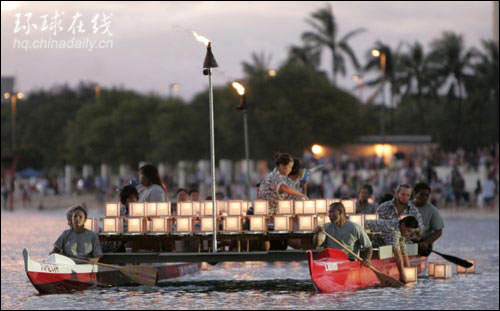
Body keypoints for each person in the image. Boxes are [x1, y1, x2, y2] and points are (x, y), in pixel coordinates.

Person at [364, 216, 419, 283]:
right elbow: (397, 254)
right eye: (408, 231)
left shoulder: (401, 228)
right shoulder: (393, 231)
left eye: (410, 233)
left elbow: (404, 252)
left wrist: (409, 273)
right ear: (403, 225)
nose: (408, 234)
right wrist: (402, 275)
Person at [410, 182, 444, 256]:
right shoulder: (406, 206)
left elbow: (439, 231)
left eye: (427, 195)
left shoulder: (433, 211)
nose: (425, 198)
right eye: (422, 195)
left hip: (422, 243)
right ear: (415, 194)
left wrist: (427, 242)